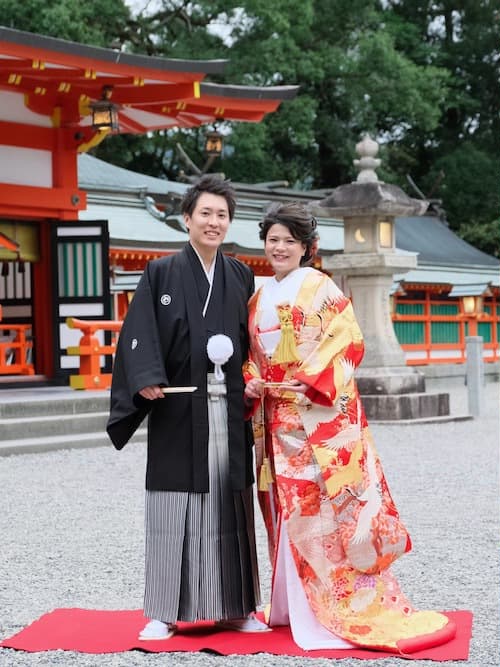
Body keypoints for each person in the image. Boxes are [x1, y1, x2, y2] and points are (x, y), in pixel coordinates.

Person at [242, 202, 456, 653]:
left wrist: (308, 379)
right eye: (273, 239)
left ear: (307, 247)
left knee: (323, 513)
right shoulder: (258, 296)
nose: (279, 248)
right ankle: (290, 607)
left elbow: (348, 341)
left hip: (313, 421)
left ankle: (332, 607)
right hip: (274, 420)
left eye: (289, 241)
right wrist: (251, 381)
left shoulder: (320, 287)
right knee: (284, 510)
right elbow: (251, 356)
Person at [107, 175, 267, 640]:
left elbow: (253, 341)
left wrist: (256, 379)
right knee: (173, 504)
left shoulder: (240, 275)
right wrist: (146, 376)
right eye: (206, 214)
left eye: (222, 215)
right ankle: (165, 610)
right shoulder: (161, 271)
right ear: (187, 219)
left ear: (229, 222)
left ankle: (236, 607)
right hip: (180, 410)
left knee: (230, 503)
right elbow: (138, 332)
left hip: (229, 406)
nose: (214, 222)